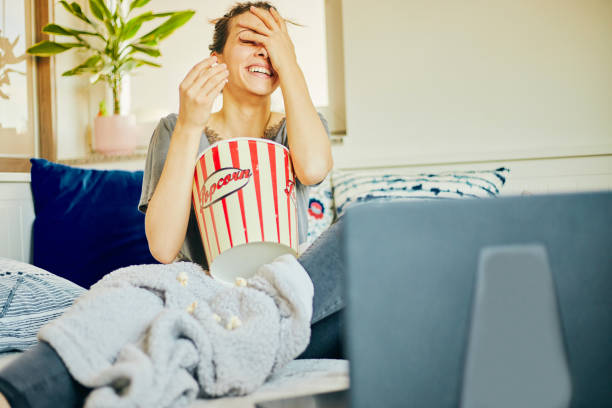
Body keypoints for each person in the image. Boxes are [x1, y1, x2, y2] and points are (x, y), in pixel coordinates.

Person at [0, 2, 345, 407]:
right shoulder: (176, 127)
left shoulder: (300, 125)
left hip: (284, 292)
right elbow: (163, 247)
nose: (265, 52)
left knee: (354, 231)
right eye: (251, 40)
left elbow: (314, 167)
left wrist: (292, 67)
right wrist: (189, 124)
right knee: (123, 301)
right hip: (201, 291)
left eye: (276, 44)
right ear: (216, 59)